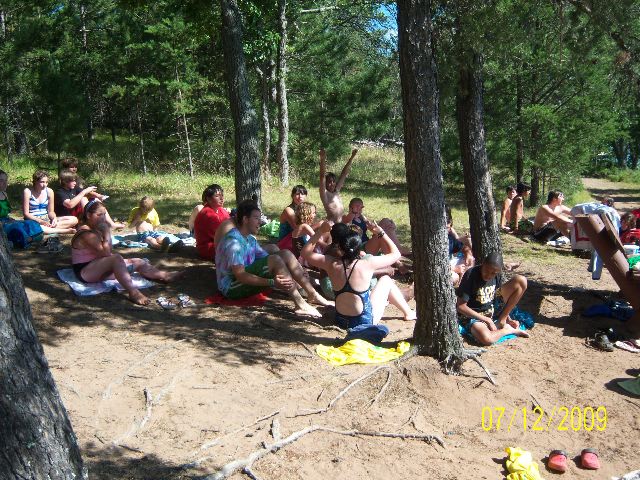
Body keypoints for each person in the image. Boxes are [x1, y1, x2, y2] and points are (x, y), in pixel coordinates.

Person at [215, 200, 332, 316]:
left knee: (285, 254)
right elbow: (240, 276)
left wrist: (299, 270)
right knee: (275, 260)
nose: (260, 222)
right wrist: (272, 282)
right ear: (245, 219)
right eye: (256, 218)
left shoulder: (249, 238)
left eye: (260, 218)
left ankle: (312, 294)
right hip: (231, 287)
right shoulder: (234, 243)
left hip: (245, 275)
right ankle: (300, 304)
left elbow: (269, 258)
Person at [302, 220, 416, 336]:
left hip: (341, 321)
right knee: (386, 280)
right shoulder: (367, 263)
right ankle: (409, 313)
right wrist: (380, 232)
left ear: (340, 248)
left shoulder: (330, 263)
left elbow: (305, 253)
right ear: (359, 248)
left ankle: (406, 309)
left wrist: (320, 231)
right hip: (364, 322)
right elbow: (396, 254)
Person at [72, 200, 183, 305]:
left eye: (104, 214)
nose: (103, 218)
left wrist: (106, 233)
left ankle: (165, 276)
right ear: (88, 215)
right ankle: (133, 292)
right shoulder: (86, 233)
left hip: (98, 266)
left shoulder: (95, 227)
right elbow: (106, 253)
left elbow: (108, 249)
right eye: (99, 215)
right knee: (116, 258)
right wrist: (106, 232)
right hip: (85, 272)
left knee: (138, 262)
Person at [456, 251, 529, 346]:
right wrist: (487, 320)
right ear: (483, 264)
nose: (489, 275)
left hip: (491, 310)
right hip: (475, 315)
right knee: (487, 339)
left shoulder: (497, 274)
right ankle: (508, 330)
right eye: (486, 271)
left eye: (493, 273)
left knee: (521, 281)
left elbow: (497, 296)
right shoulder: (471, 275)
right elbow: (461, 307)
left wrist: (507, 318)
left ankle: (501, 321)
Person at [22, 170, 77, 234]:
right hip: (33, 220)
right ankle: (64, 231)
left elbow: (51, 211)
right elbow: (26, 214)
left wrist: (54, 218)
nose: (45, 185)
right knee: (37, 227)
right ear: (35, 181)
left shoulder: (49, 191)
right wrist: (40, 221)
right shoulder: (27, 192)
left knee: (74, 220)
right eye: (42, 182)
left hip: (46, 218)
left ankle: (48, 229)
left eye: (46, 182)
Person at [319, 148, 358, 223]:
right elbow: (322, 176)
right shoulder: (324, 193)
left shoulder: (336, 190)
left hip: (342, 223)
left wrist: (352, 157)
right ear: (325, 183)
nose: (332, 184)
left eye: (334, 181)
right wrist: (322, 158)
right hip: (332, 225)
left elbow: (344, 174)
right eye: (329, 182)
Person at [193, 184, 231, 260]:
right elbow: (219, 235)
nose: (221, 198)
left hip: (219, 243)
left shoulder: (220, 210)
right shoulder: (207, 214)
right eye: (217, 196)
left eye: (222, 195)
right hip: (208, 247)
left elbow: (230, 225)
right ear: (209, 199)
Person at [446, 206, 474, 285]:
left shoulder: (449, 237)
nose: (447, 230)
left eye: (448, 228)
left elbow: (463, 247)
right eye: (446, 228)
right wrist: (454, 269)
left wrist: (468, 254)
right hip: (443, 268)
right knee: (454, 277)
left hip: (450, 263)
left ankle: (463, 285)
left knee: (471, 260)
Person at [278, 185, 308, 251]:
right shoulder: (289, 210)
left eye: (302, 194)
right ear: (292, 196)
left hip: (299, 238)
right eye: (297, 194)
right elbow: (298, 229)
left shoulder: (305, 209)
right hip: (286, 242)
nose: (300, 196)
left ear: (306, 196)